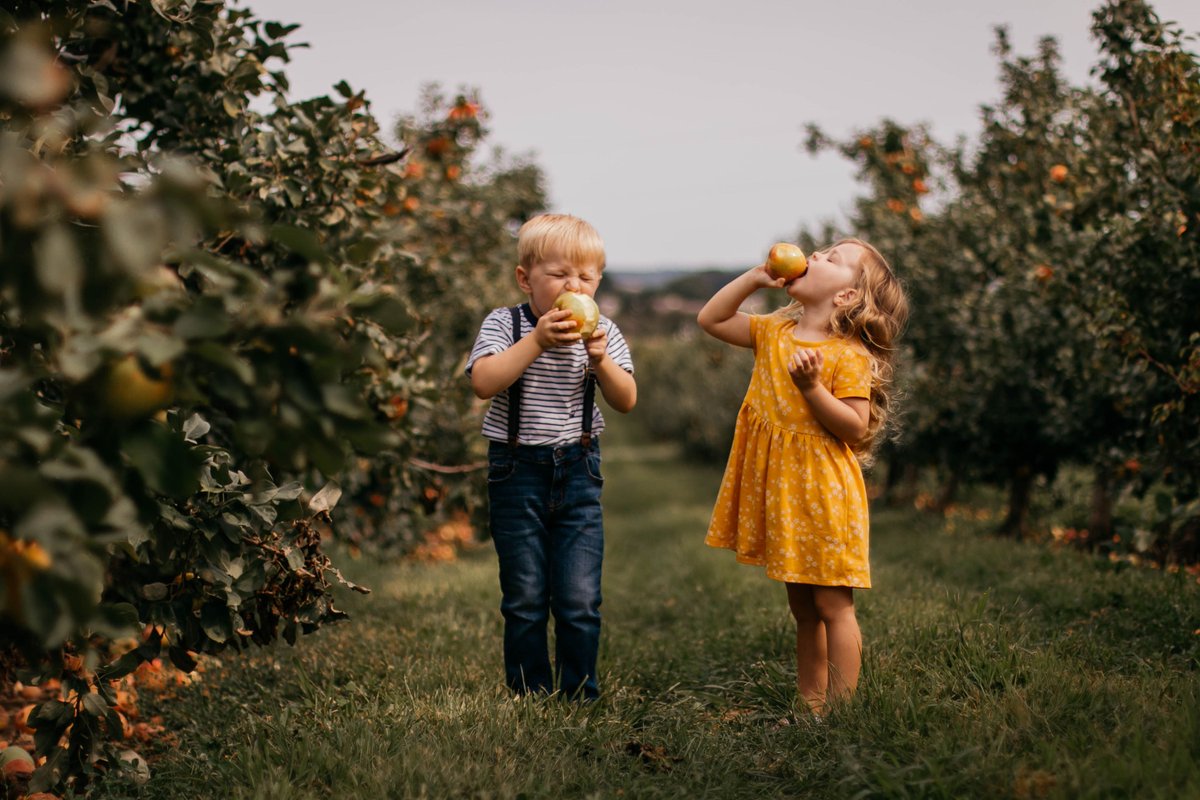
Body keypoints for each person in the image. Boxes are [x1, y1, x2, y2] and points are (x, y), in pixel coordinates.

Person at [696, 238, 908, 715]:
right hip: (785, 492)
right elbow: (710, 320)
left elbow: (853, 427)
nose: (814, 256)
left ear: (847, 297)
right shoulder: (776, 329)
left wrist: (811, 388)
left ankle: (842, 709)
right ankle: (811, 704)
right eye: (820, 251)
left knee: (835, 607)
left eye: (832, 259)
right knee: (803, 610)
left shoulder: (846, 354)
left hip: (825, 493)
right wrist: (753, 279)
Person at [466, 213, 636, 700]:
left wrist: (601, 359)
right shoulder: (506, 324)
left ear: (598, 281)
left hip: (579, 473)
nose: (574, 286)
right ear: (526, 278)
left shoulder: (603, 331)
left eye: (585, 277)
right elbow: (484, 381)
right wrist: (537, 340)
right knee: (524, 597)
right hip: (516, 472)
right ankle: (529, 693)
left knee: (580, 598)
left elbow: (625, 400)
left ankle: (580, 691)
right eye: (560, 275)